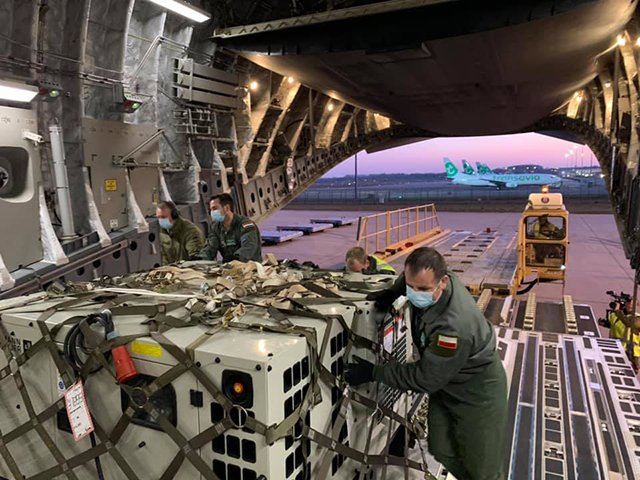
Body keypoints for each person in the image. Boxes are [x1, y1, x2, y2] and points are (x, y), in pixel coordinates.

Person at [344, 247, 507, 480]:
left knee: (483, 469)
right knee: (440, 448)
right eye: (411, 287)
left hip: (476, 391)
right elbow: (410, 277)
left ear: (443, 282)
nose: (415, 293)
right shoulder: (433, 275)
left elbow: (426, 378)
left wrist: (374, 372)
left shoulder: (453, 327)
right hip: (447, 383)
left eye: (423, 289)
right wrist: (393, 292)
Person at [198, 193, 262, 263]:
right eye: (210, 210)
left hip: (249, 267)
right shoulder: (216, 227)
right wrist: (200, 258)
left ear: (227, 208)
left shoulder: (246, 225)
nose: (212, 213)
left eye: (214, 208)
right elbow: (210, 247)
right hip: (229, 267)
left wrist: (236, 257)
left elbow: (249, 247)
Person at [609, 300, 640, 370]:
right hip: (614, 346)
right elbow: (615, 326)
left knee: (628, 373)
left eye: (633, 304)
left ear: (637, 306)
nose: (630, 305)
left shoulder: (638, 318)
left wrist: (617, 311)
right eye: (629, 303)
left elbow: (628, 324)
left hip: (631, 353)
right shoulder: (616, 315)